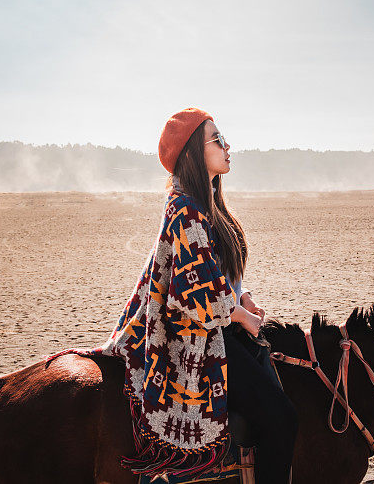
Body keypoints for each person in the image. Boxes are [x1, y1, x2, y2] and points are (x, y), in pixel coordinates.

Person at [47, 107, 298, 482]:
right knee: (281, 417)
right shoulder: (184, 209)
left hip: (224, 323)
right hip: (198, 335)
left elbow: (222, 275)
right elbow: (199, 294)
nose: (227, 146)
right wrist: (242, 317)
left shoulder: (211, 207)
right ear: (194, 151)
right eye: (217, 139)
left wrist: (244, 299)